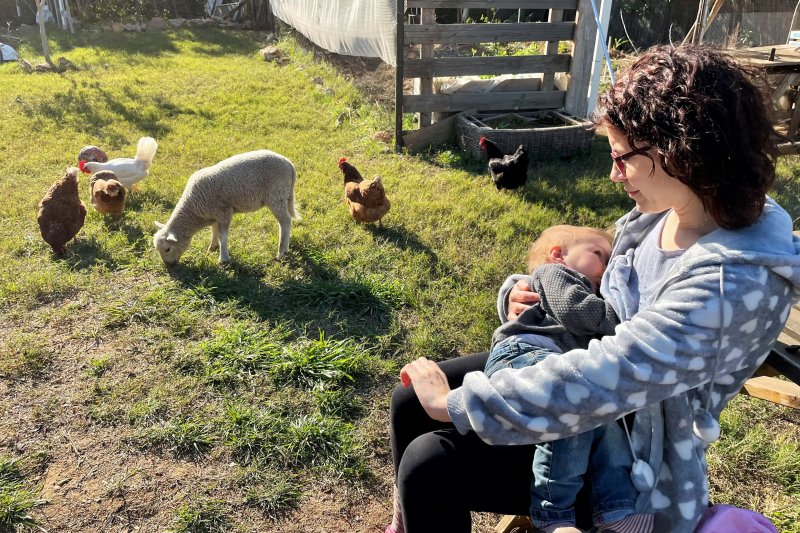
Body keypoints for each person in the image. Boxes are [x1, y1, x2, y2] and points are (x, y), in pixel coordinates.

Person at [387, 43, 800, 533]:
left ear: (681, 152)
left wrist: (455, 404)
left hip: (627, 461)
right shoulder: (681, 207)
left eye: (622, 157)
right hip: (591, 372)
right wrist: (524, 290)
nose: (612, 173)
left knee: (431, 462)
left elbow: (607, 377)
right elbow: (603, 288)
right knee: (408, 401)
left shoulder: (728, 283)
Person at [482, 224, 649, 533]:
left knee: (603, 421)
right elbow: (578, 312)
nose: (608, 265)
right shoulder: (555, 274)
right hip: (525, 353)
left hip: (557, 359)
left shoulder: (579, 279)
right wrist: (626, 323)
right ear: (558, 255)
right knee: (570, 406)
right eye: (599, 254)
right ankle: (553, 513)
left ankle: (616, 509)